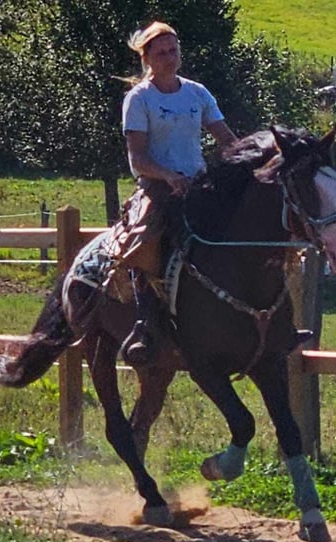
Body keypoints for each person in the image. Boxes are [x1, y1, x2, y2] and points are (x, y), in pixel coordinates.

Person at [119, 21, 237, 367]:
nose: (170, 58)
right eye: (161, 53)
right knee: (146, 243)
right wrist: (169, 176)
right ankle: (144, 323)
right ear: (147, 59)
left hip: (198, 184)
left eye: (174, 50)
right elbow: (138, 157)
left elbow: (226, 138)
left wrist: (252, 160)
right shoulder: (139, 99)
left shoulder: (197, 93)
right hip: (158, 188)